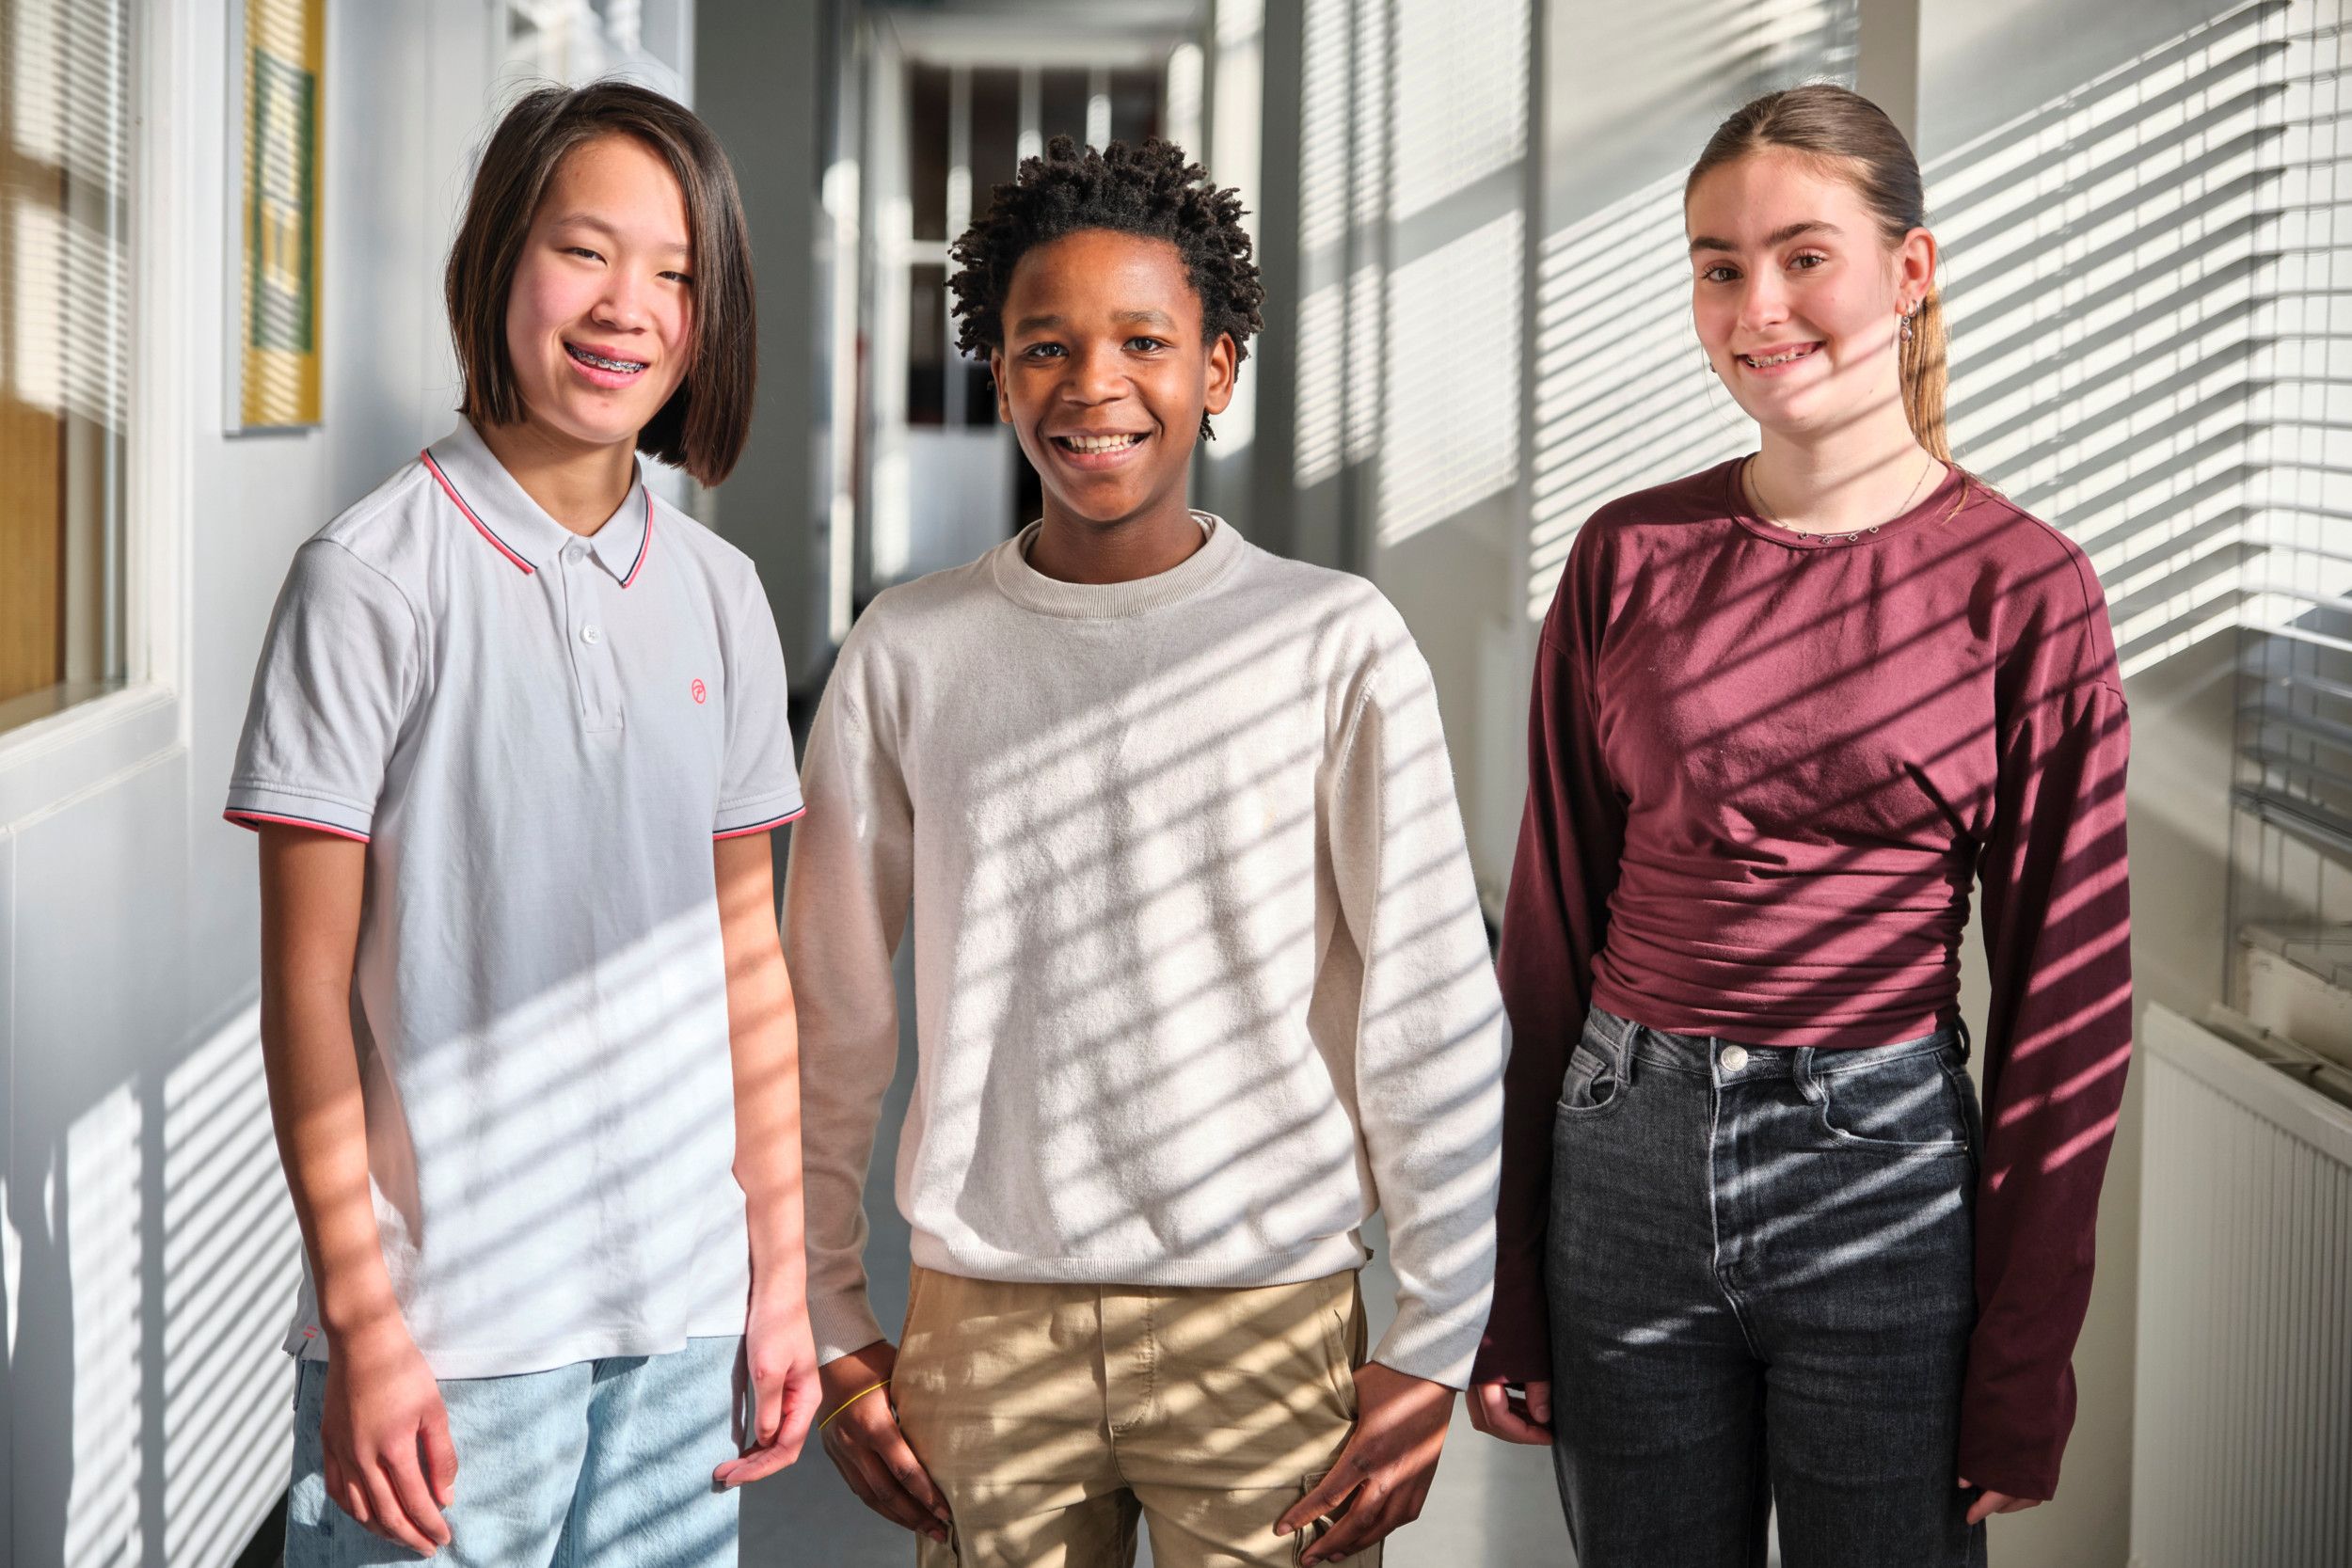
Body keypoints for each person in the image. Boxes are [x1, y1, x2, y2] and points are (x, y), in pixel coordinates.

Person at [784, 136, 1505, 1568]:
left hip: (1266, 1315)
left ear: (1219, 370)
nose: (1092, 385)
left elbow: (1428, 995)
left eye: (1145, 341)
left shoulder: (1332, 642)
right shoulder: (911, 650)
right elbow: (830, 1017)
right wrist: (828, 1316)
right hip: (984, 1323)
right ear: (998, 372)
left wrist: (1435, 1336)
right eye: (1044, 344)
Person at [1467, 84, 2133, 1568]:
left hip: (1882, 1188)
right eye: (1717, 265)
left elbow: (2065, 1014)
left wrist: (2022, 1363)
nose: (1755, 305)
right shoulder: (1629, 556)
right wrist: (1508, 1279)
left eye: (1801, 255)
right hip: (1622, 1161)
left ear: (1910, 272)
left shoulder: (2025, 590)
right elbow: (1546, 940)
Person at [227, 81, 818, 1566]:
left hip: (684, 1322)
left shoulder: (720, 595)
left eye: (678, 273)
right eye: (586, 251)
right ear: (498, 260)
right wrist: (362, 1314)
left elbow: (750, 962)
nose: (630, 307)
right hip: (450, 1339)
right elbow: (306, 990)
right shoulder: (369, 579)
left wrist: (782, 1278)